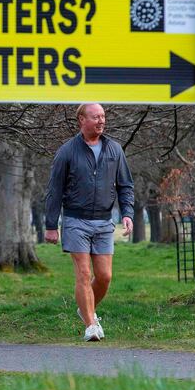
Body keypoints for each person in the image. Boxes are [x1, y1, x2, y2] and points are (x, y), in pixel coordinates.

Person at [44, 103, 134, 342]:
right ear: (82, 120)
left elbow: (125, 185)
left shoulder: (114, 149)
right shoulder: (67, 151)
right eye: (95, 117)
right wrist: (51, 225)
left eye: (103, 116)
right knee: (83, 273)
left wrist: (127, 214)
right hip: (76, 220)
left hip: (104, 222)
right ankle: (91, 325)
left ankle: (85, 308)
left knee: (104, 276)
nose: (101, 121)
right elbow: (54, 189)